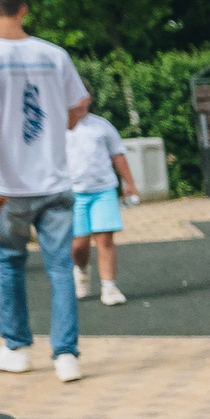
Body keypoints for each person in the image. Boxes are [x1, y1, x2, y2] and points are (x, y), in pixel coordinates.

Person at [0, 0, 90, 383]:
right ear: (23, 9)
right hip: (55, 180)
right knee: (60, 268)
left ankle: (17, 347)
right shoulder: (54, 55)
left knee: (10, 263)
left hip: (9, 186)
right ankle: (66, 355)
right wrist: (57, 128)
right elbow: (79, 105)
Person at [64, 108, 139, 306]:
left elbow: (118, 155)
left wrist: (130, 185)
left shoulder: (101, 125)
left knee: (104, 238)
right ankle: (81, 270)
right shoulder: (58, 126)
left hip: (103, 190)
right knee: (78, 244)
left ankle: (109, 286)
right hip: (74, 192)